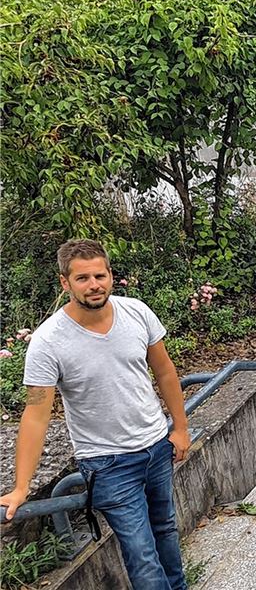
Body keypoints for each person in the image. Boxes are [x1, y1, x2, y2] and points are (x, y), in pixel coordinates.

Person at [0, 239, 190, 590]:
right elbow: (36, 413)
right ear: (65, 283)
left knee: (165, 530)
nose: (94, 285)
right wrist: (21, 486)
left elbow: (164, 371)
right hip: (107, 463)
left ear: (110, 275)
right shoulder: (48, 341)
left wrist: (179, 428)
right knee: (141, 555)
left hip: (156, 446)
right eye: (82, 278)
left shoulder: (137, 312)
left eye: (99, 276)